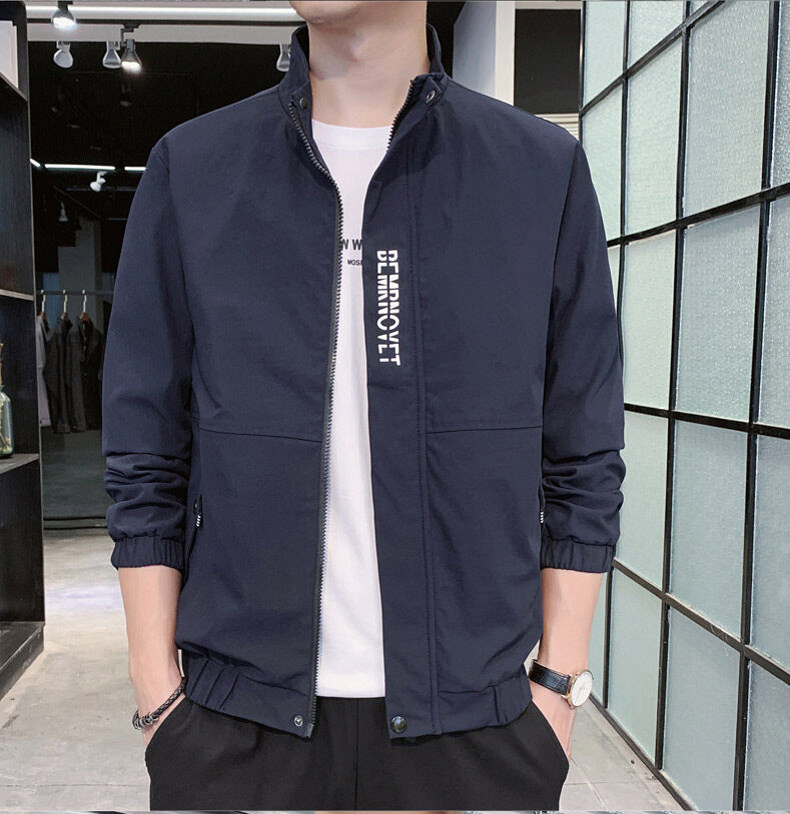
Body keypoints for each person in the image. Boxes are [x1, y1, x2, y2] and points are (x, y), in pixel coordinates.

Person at [101, 1, 626, 810]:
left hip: (474, 724)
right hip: (234, 719)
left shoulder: (537, 172)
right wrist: (155, 693)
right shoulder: (195, 168)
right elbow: (145, 445)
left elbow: (583, 448)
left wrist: (558, 685)